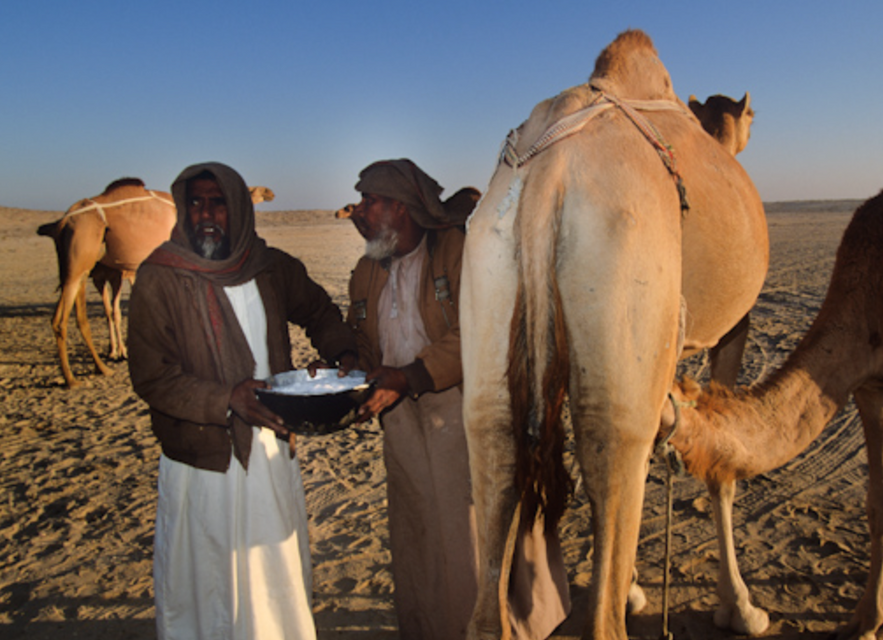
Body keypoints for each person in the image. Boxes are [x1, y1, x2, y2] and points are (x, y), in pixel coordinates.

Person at [343, 159, 571, 640]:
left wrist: (410, 375)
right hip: (402, 423)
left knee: (471, 534)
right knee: (421, 535)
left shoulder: (459, 252)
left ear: (401, 209)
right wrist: (349, 370)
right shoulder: (365, 271)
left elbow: (481, 330)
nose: (358, 212)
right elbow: (365, 339)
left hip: (465, 414)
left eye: (370, 202)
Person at [128, 162, 355, 640]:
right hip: (199, 460)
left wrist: (344, 356)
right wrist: (225, 399)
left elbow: (317, 309)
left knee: (271, 583)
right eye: (196, 202)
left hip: (269, 449)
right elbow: (152, 377)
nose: (206, 214)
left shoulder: (269, 267)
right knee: (205, 584)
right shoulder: (159, 277)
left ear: (239, 208)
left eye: (218, 203)